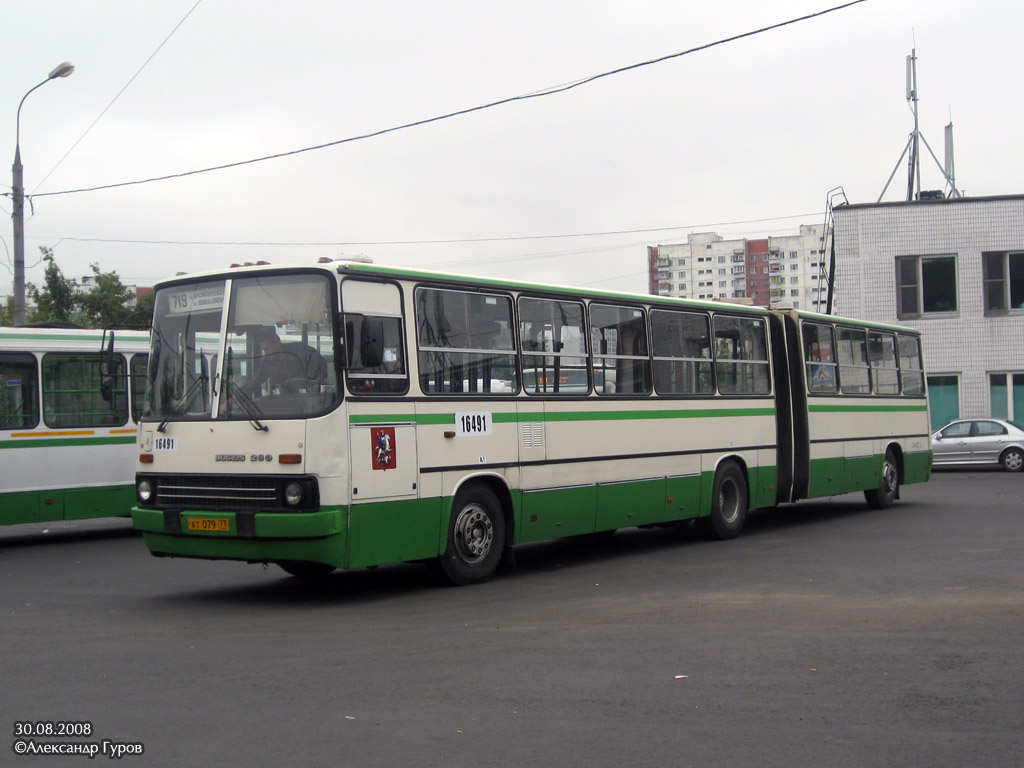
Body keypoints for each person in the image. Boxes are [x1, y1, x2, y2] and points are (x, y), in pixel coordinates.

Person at [242, 326, 327, 397]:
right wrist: (231, 402)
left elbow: (320, 366)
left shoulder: (301, 350)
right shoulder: (267, 364)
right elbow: (253, 384)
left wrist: (316, 387)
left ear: (277, 342)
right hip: (288, 400)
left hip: (314, 400)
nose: (266, 353)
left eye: (268, 348)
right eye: (264, 350)